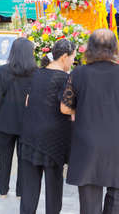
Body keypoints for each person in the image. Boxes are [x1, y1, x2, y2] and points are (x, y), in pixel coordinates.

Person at [60, 29, 119, 214]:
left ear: (90, 48)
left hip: (87, 144)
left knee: (89, 204)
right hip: (118, 144)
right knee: (116, 197)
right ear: (114, 48)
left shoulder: (78, 73)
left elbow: (65, 108)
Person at [20, 39, 76, 214]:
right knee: (53, 189)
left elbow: (28, 101)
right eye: (73, 57)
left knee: (29, 189)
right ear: (64, 56)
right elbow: (68, 110)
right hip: (53, 142)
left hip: (29, 137)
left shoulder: (37, 73)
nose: (73, 62)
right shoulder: (66, 79)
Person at [0, 37, 37, 198]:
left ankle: (3, 190)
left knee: (4, 159)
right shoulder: (36, 72)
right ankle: (20, 191)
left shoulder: (3, 70)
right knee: (23, 160)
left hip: (6, 121)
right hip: (26, 122)